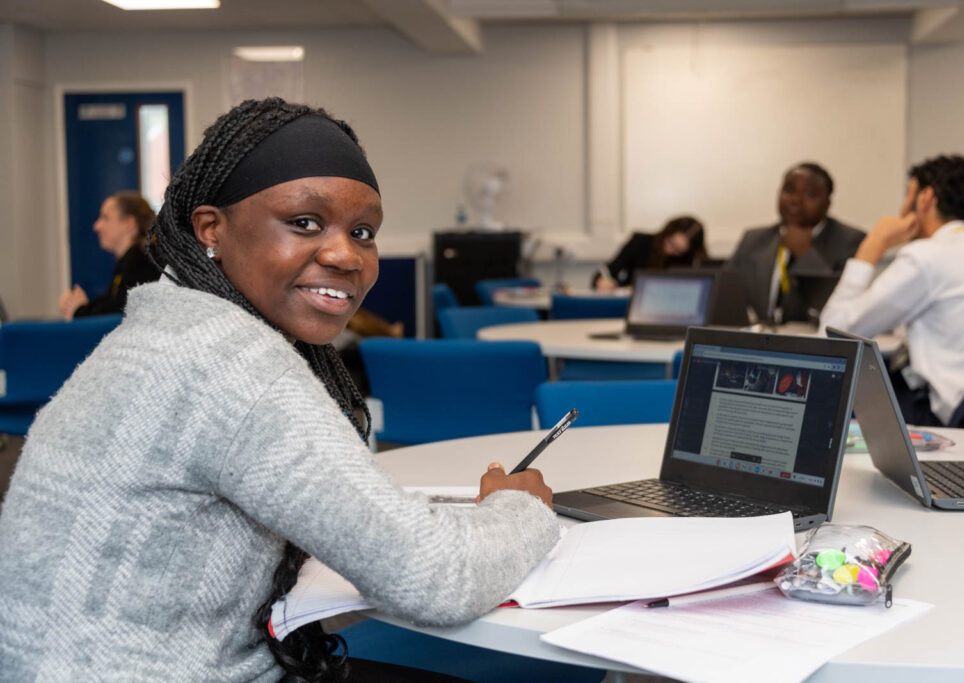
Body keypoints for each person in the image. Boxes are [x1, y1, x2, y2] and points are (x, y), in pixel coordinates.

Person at [0, 98, 560, 681]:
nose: (346, 255)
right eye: (304, 223)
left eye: (363, 231)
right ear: (210, 229)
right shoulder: (228, 363)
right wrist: (517, 505)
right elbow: (438, 580)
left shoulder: (171, 330)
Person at [820, 154, 964, 426]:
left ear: (926, 198)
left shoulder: (926, 257)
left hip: (949, 417)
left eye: (908, 196)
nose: (903, 206)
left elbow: (831, 335)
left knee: (828, 386)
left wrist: (873, 245)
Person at [727, 162, 864, 323]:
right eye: (789, 190)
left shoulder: (850, 241)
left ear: (827, 204)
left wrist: (806, 254)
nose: (795, 200)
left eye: (809, 194)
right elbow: (724, 293)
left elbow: (844, 308)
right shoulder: (754, 239)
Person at [56, 191, 162, 320]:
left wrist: (80, 311)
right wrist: (80, 307)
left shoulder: (140, 261)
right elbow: (113, 301)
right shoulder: (133, 260)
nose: (96, 226)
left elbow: (121, 309)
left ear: (129, 224)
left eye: (105, 218)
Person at [593, 215, 707, 290]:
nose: (669, 250)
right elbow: (606, 272)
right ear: (667, 232)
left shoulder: (692, 262)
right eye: (670, 242)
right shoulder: (640, 242)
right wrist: (601, 281)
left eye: (678, 251)